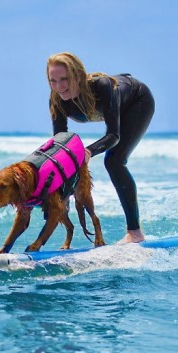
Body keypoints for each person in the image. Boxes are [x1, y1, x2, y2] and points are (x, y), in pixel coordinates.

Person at [47, 52, 155, 243]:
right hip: (118, 103)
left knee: (114, 161)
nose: (59, 87)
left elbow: (114, 135)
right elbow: (60, 144)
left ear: (78, 76)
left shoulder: (102, 87)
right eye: (53, 81)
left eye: (64, 79)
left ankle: (135, 233)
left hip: (137, 100)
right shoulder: (56, 100)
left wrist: (88, 151)